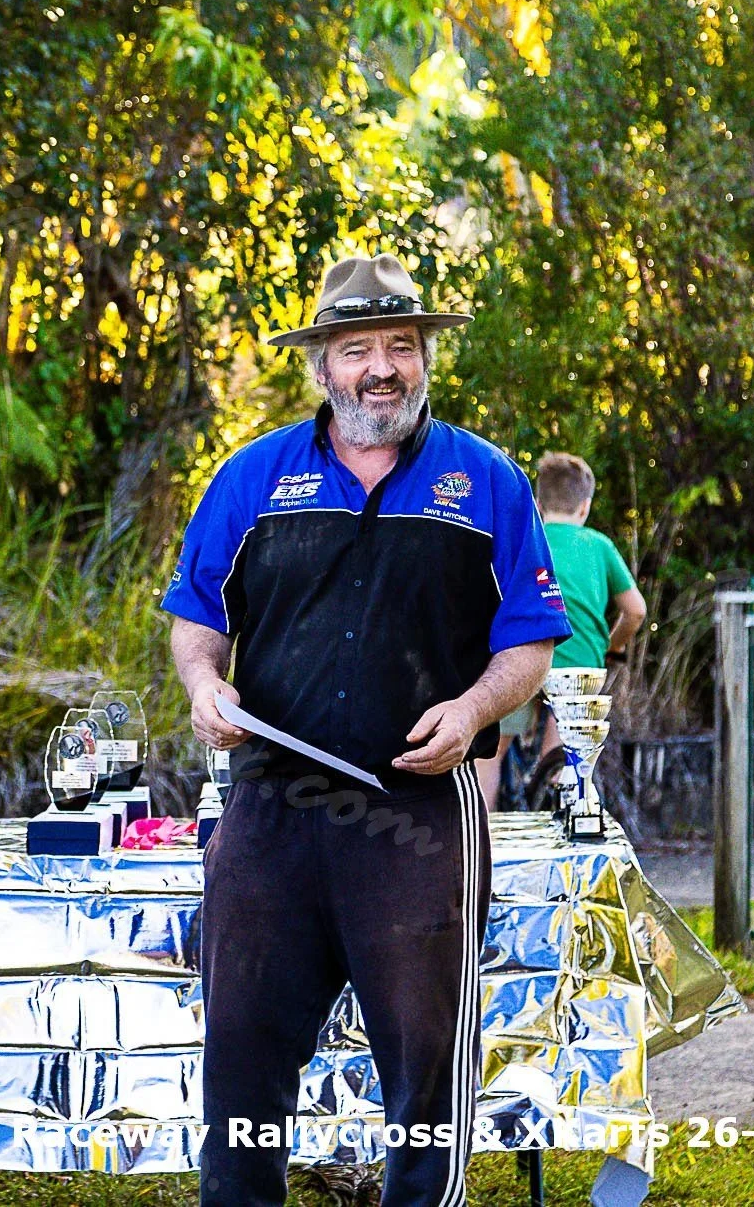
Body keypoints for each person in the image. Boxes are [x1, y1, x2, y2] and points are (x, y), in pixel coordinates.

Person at [163, 253, 572, 1207]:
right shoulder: (250, 477)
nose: (380, 367)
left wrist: (473, 709)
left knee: (425, 1068)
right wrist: (203, 683)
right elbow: (197, 619)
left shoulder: (489, 481)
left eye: (400, 345)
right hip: (270, 807)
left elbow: (530, 642)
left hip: (417, 815)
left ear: (425, 356)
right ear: (322, 367)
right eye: (356, 349)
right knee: (242, 1055)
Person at [486, 452, 647, 808]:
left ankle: (486, 831)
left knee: (491, 752)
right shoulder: (599, 545)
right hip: (578, 667)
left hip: (520, 656)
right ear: (585, 506)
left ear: (538, 504)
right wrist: (610, 647)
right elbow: (636, 611)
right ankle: (557, 802)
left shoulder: (524, 540)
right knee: (564, 746)